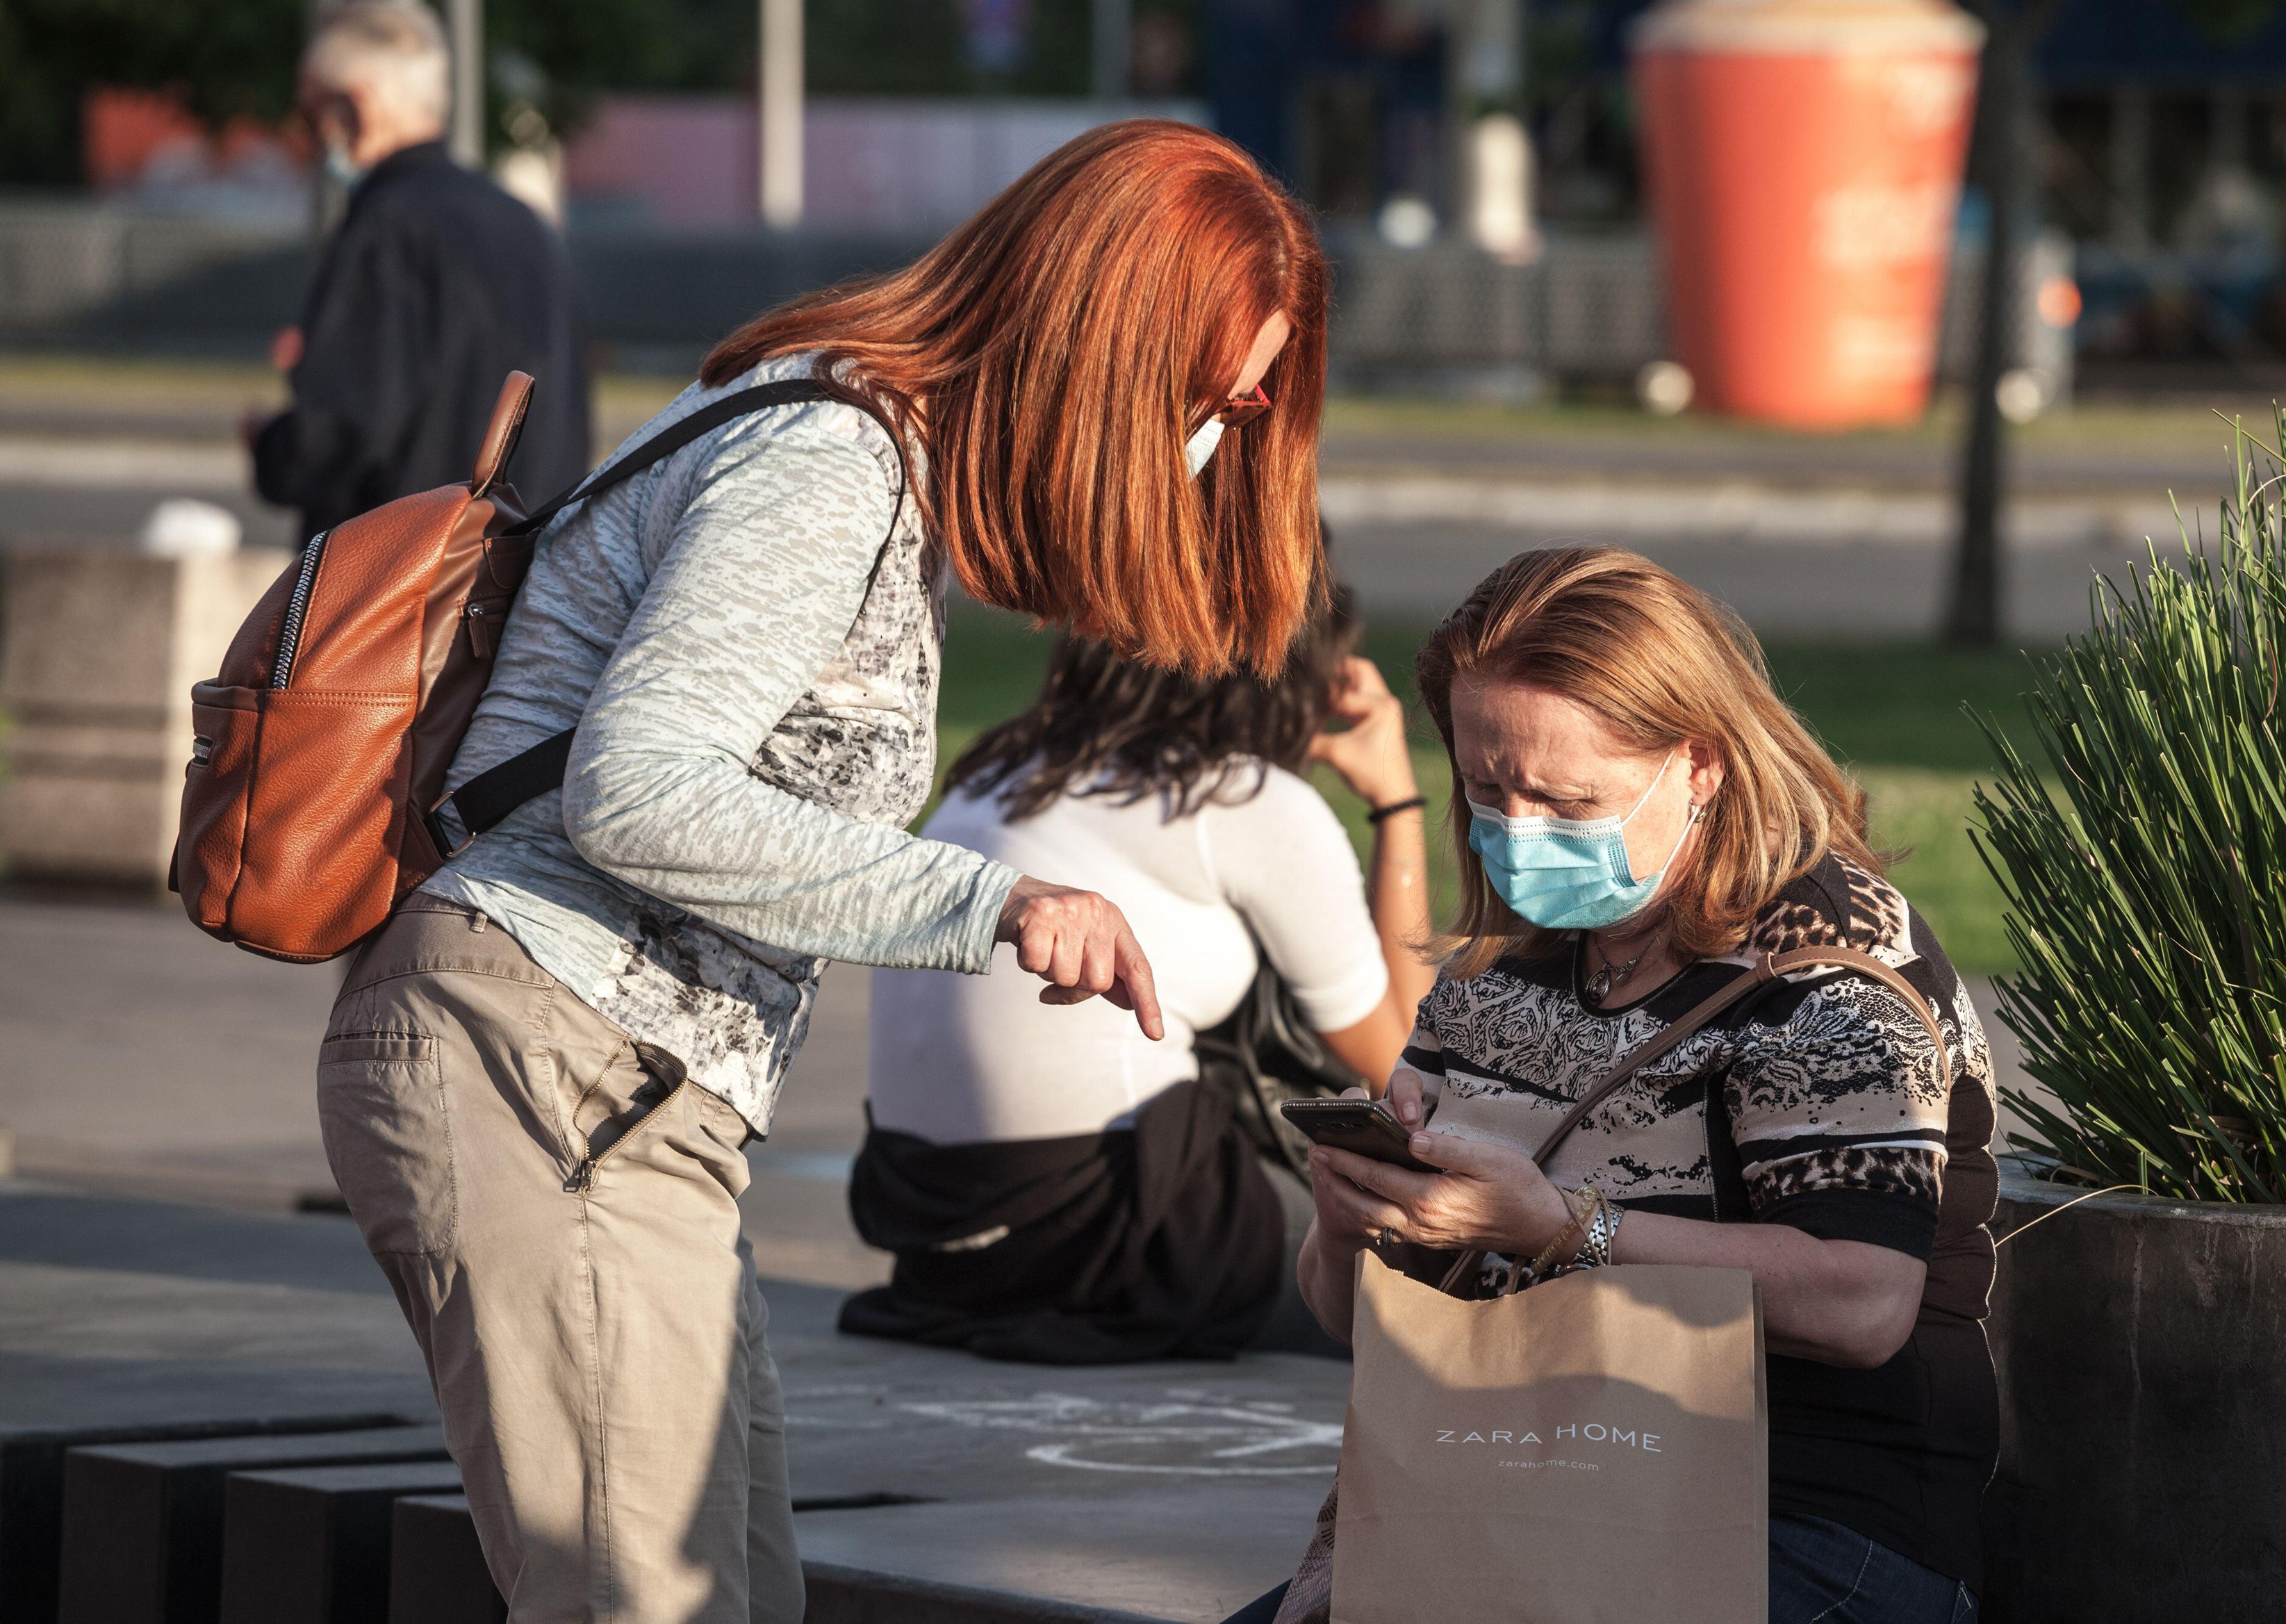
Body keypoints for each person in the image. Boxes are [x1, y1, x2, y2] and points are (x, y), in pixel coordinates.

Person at [315, 121, 1328, 1622]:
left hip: (623, 1095)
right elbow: (638, 790)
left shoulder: (852, 448)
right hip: (546, 1057)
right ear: (1109, 347)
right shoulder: (828, 458)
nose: (1223, 433)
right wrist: (991, 901)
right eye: (1217, 394)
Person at [1247, 547, 1998, 1624]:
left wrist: (1564, 1228)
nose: (1517, 829)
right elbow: (1347, 1318)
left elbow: (1863, 1301)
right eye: (1485, 786)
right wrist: (1350, 1216)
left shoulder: (1824, 962)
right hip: (1530, 1496)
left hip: (1802, 1522)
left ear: (1697, 764)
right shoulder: (1505, 967)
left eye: (1563, 797)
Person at [850, 578, 1433, 1363]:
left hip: (942, 1240)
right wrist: (1396, 803)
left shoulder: (992, 778)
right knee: (1434, 1282)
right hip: (1123, 1239)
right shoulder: (1246, 799)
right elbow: (1406, 1063)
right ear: (1292, 675)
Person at [248, 1, 590, 543]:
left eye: (311, 117)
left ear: (355, 108)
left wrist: (273, 445)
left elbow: (342, 432)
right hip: (525, 580)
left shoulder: (386, 226)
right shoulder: (527, 224)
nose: (308, 137)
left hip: (405, 591)